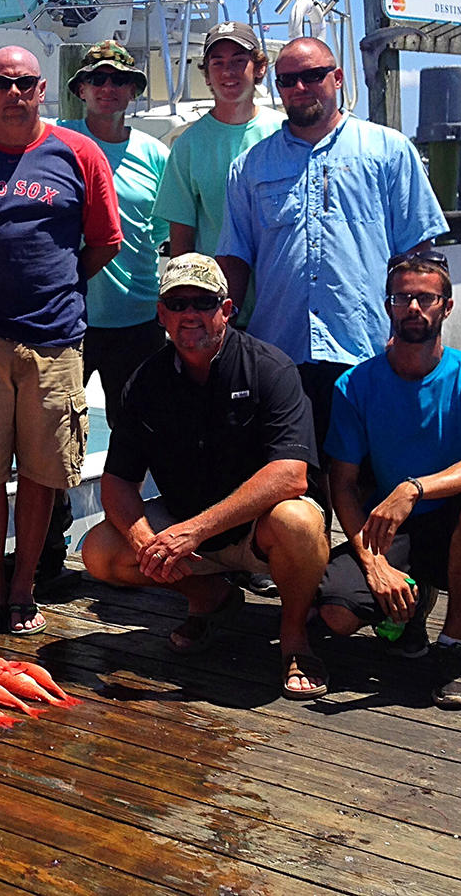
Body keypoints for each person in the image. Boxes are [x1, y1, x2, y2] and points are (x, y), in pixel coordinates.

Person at [0, 44, 122, 635]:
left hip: (56, 338)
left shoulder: (81, 154)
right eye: (1, 83)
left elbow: (103, 242)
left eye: (25, 83)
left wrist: (50, 289)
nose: (13, 93)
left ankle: (23, 586)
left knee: (43, 470)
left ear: (43, 91)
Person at [82, 253, 331, 698]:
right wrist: (146, 543)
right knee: (100, 551)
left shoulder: (270, 368)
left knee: (301, 523)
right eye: (177, 304)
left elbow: (292, 474)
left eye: (204, 302)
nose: (190, 314)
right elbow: (118, 482)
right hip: (188, 536)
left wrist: (192, 532)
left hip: (258, 532)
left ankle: (294, 637)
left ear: (227, 310)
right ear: (161, 315)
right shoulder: (144, 382)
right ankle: (209, 598)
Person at [215, 36, 448, 458]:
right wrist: (223, 338)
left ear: (337, 78)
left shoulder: (390, 150)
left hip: (371, 351)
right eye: (288, 80)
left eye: (312, 76)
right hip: (280, 357)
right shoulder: (249, 166)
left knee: (377, 490)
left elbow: (418, 256)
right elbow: (234, 260)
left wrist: (412, 336)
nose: (300, 87)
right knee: (295, 494)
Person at [317, 252, 461, 709]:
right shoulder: (354, 385)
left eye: (425, 299)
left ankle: (454, 649)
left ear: (446, 306)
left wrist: (414, 488)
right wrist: (372, 564)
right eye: (401, 297)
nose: (412, 308)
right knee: (334, 614)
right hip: (392, 532)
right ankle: (410, 609)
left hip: (453, 524)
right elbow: (341, 484)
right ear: (387, 305)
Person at [57, 40, 170, 417]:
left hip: (139, 322)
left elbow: (161, 228)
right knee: (52, 433)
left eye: (119, 80)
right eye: (97, 79)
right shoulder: (56, 137)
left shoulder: (155, 154)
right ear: (81, 90)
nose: (108, 87)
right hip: (69, 317)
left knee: (140, 436)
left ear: (133, 91)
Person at [153, 20, 284, 328]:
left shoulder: (284, 134)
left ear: (260, 68)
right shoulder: (186, 145)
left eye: (240, 61)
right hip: (218, 316)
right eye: (219, 63)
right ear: (208, 74)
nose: (229, 72)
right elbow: (181, 241)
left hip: (281, 307)